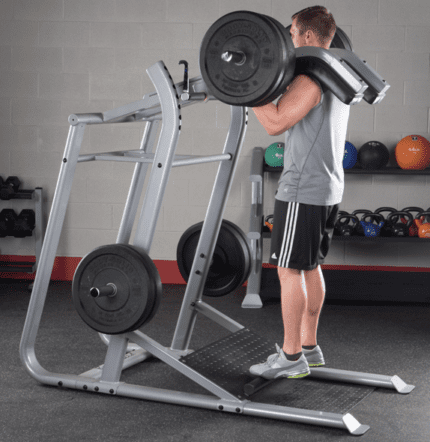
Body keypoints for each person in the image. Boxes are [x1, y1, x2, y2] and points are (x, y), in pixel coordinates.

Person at [249, 6, 350, 380]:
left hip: (302, 188)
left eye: (293, 32)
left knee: (288, 270)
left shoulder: (311, 82)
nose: (290, 39)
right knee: (309, 266)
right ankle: (310, 346)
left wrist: (247, 87)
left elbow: (275, 122)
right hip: (326, 186)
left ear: (308, 36)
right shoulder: (338, 74)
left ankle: (291, 358)